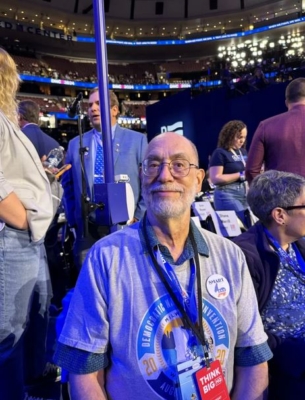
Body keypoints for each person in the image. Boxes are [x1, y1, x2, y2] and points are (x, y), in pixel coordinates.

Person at [55, 132, 271, 399]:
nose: (165, 175)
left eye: (179, 165)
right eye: (153, 165)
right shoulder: (106, 256)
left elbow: (253, 357)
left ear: (199, 179)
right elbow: (84, 369)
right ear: (141, 174)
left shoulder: (229, 256)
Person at [0, 48, 53, 399]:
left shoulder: (6, 120)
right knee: (9, 336)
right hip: (13, 240)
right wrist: (21, 221)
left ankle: (30, 383)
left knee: (36, 318)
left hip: (28, 239)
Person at [233, 170, 305, 400]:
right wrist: (294, 354)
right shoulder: (246, 256)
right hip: (285, 363)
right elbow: (245, 331)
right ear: (280, 215)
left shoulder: (298, 246)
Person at [62, 88, 147, 270]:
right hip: (87, 230)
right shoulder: (75, 144)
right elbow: (67, 187)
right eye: (90, 104)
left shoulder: (137, 141)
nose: (92, 108)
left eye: (99, 104)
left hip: (126, 227)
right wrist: (74, 220)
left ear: (115, 110)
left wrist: (138, 217)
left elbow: (148, 182)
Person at [246, 77, 305, 184]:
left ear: (287, 102)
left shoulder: (266, 126)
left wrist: (266, 195)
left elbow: (251, 171)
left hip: (281, 198)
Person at [209, 120, 249, 225]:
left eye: (244, 137)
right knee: (245, 225)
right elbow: (215, 178)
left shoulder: (243, 152)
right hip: (227, 194)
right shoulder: (220, 153)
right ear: (230, 136)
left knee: (251, 224)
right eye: (239, 137)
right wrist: (240, 175)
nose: (242, 141)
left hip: (245, 193)